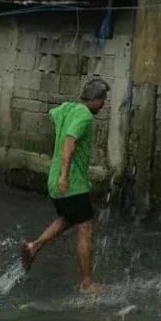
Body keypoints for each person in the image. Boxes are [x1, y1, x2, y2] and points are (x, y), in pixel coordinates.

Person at [20, 76, 110, 292]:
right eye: (103, 100)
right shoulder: (85, 116)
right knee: (85, 228)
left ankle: (33, 247)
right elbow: (70, 142)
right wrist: (65, 175)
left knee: (68, 218)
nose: (104, 105)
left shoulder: (67, 108)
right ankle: (87, 283)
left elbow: (52, 115)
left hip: (54, 182)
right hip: (72, 183)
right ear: (95, 99)